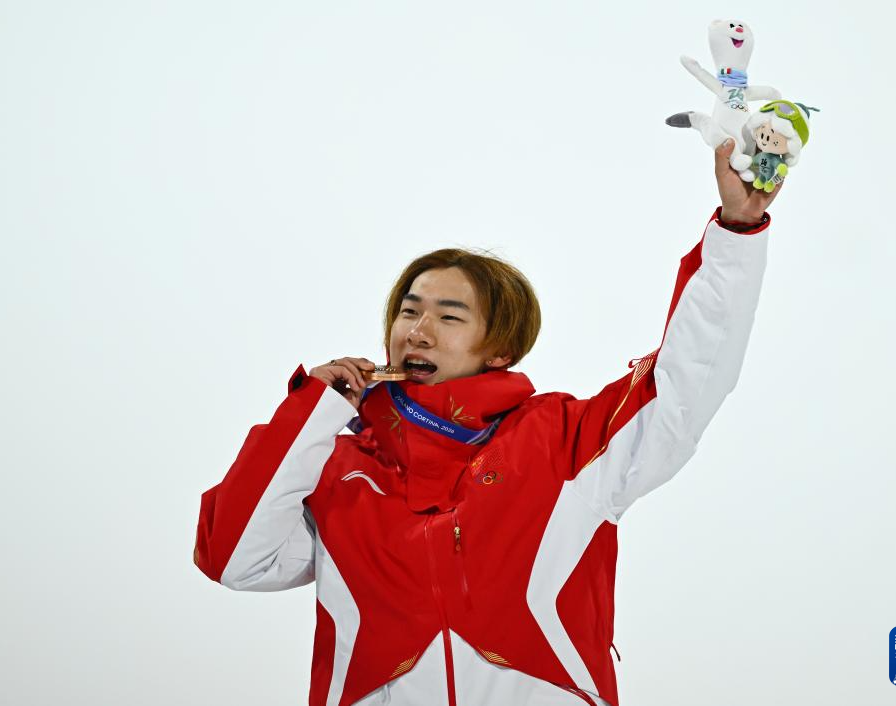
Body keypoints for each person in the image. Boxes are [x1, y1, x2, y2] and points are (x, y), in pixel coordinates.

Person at [194, 140, 781, 706]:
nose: (417, 331)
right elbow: (234, 558)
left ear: (500, 348)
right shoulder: (336, 468)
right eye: (408, 311)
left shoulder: (564, 442)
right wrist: (311, 411)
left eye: (449, 317)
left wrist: (737, 231)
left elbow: (684, 384)